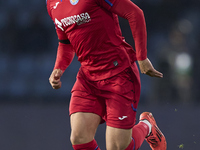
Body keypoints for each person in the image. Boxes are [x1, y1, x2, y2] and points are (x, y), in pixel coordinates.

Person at [47, 0, 167, 149]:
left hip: (119, 74)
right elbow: (65, 42)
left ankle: (147, 126)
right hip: (88, 78)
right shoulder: (52, 4)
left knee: (118, 147)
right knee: (79, 138)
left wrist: (141, 57)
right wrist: (58, 68)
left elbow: (134, 13)